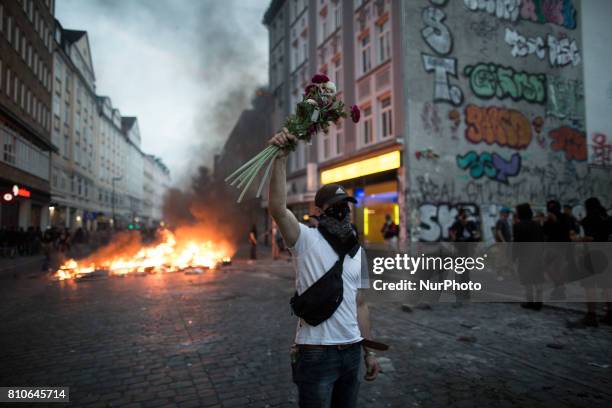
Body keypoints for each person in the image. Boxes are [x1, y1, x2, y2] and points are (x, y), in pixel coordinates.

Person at [268, 128, 380, 408]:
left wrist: (368, 351)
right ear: (319, 210)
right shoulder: (305, 239)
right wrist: (280, 159)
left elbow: (361, 304)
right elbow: (278, 209)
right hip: (316, 353)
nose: (343, 209)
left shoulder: (357, 252)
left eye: (347, 205)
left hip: (352, 352)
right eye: (336, 205)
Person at [567, 197, 612, 328]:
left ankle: (591, 316)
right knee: (607, 285)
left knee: (589, 286)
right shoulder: (608, 219)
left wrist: (578, 239)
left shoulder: (588, 220)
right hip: (607, 255)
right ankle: (610, 314)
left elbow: (589, 239)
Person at [513, 203, 545, 310]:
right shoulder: (537, 224)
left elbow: (517, 243)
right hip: (537, 255)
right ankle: (539, 302)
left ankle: (530, 302)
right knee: (538, 279)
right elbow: (542, 240)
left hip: (525, 256)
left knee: (528, 280)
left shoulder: (517, 225)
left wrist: (513, 257)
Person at [542, 200, 571, 300]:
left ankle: (559, 290)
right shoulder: (549, 219)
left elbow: (565, 230)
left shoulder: (564, 217)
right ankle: (559, 286)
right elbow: (545, 231)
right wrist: (545, 221)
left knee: (558, 268)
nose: (551, 209)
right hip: (551, 246)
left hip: (561, 246)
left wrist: (555, 221)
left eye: (553, 207)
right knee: (546, 266)